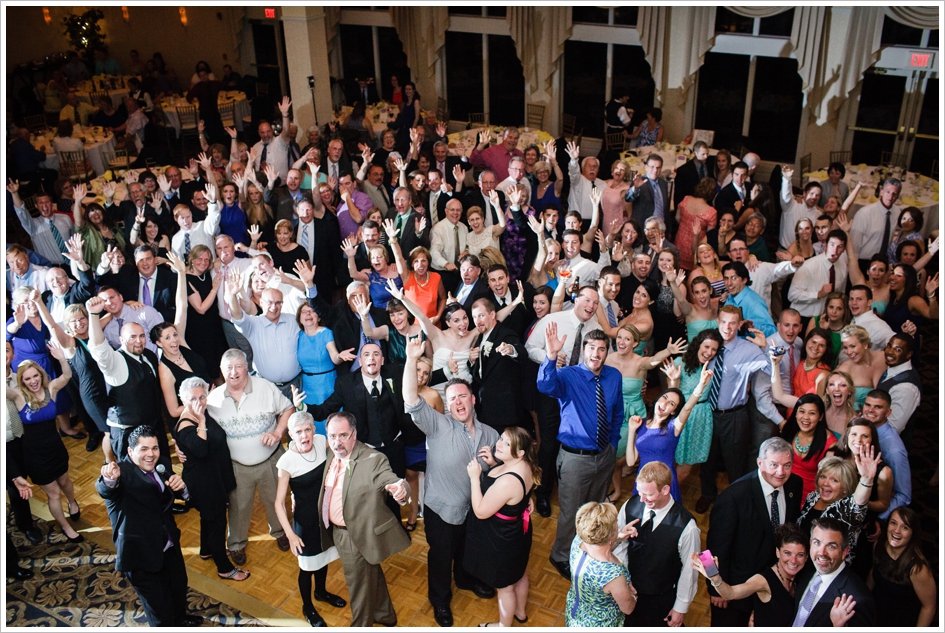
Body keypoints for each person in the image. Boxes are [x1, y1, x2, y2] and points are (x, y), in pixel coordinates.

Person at [402, 338, 499, 627]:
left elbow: (499, 475)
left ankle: (466, 579)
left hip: (474, 510)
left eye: (462, 396)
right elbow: (410, 398)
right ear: (447, 404)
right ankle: (440, 599)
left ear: (473, 400)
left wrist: (492, 464)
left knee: (467, 550)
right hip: (441, 509)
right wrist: (410, 360)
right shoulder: (438, 425)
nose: (457, 401)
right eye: (452, 397)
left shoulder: (491, 435)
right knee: (441, 556)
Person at [95, 426, 203, 627]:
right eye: (144, 449)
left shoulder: (161, 464)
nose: (150, 454)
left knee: (178, 588)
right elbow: (106, 488)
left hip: (168, 544)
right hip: (141, 556)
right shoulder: (122, 473)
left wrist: (183, 489)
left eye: (154, 448)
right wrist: (109, 478)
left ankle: (180, 618)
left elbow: (173, 494)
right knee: (159, 611)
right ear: (130, 451)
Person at [539, 326, 623, 581]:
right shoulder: (568, 376)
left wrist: (613, 444)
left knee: (594, 508)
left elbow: (617, 413)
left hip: (604, 455)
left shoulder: (614, 376)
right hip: (574, 459)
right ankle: (560, 555)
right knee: (572, 512)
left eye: (601, 349)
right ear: (583, 350)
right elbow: (544, 385)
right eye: (591, 348)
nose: (596, 354)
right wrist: (551, 358)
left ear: (607, 352)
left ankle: (587, 546)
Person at [294, 341, 412, 522]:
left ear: (382, 360)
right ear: (360, 361)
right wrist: (302, 406)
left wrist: (448, 372)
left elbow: (418, 380)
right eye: (366, 355)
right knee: (369, 494)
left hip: (393, 447)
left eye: (376, 354)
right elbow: (326, 409)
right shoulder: (346, 383)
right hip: (364, 449)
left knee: (394, 491)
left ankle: (394, 528)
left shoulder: (395, 373)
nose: (371, 358)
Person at [314, 412, 408, 627]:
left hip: (354, 535)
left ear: (354, 434)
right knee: (369, 573)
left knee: (358, 586)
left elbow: (391, 480)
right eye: (332, 436)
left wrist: (400, 490)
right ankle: (385, 615)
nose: (337, 442)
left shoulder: (372, 459)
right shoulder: (332, 451)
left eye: (343, 435)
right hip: (335, 530)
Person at [206, 349, 293, 566]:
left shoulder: (265, 387)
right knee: (238, 506)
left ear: (246, 367)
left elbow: (288, 409)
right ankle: (236, 544)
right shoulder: (213, 399)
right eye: (229, 368)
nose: (234, 372)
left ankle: (281, 531)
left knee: (276, 500)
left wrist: (277, 433)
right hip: (236, 465)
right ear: (221, 371)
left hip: (270, 460)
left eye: (238, 366)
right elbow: (199, 425)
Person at [705, 437, 804, 627]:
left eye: (787, 465)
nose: (780, 472)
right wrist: (714, 588)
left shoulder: (794, 485)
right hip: (734, 590)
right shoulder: (733, 497)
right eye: (774, 464)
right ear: (760, 463)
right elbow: (713, 547)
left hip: (772, 587)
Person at [525, 286, 602, 517]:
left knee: (573, 441)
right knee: (548, 445)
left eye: (596, 303)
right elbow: (530, 348)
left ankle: (570, 488)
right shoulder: (552, 320)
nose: (591, 306)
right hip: (552, 391)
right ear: (576, 300)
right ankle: (543, 494)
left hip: (578, 394)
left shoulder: (595, 329)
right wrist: (550, 357)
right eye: (588, 300)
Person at [274, 412, 345, 626]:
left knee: (322, 558)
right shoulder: (286, 461)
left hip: (325, 517)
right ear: (291, 435)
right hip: (304, 523)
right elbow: (278, 503)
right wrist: (290, 535)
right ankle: (308, 607)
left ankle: (321, 592)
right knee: (307, 568)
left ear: (314, 430)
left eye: (307, 430)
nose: (304, 436)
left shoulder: (322, 441)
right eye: (298, 432)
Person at [6, 344, 83, 542]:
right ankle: (66, 527)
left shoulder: (51, 389)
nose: (33, 381)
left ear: (41, 375)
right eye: (27, 378)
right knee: (54, 493)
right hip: (34, 455)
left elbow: (66, 376)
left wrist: (61, 358)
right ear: (21, 381)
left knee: (65, 482)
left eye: (35, 376)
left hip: (56, 448)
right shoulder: (18, 395)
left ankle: (73, 502)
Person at [465, 426, 539, 628]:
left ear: (520, 452)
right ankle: (521, 613)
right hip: (519, 533)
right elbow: (518, 493)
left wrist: (474, 478)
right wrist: (494, 463)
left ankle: (503, 627)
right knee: (520, 573)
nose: (499, 444)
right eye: (501, 439)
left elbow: (480, 511)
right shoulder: (525, 465)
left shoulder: (508, 481)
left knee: (505, 587)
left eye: (507, 444)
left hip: (503, 539)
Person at [172, 377, 245, 581]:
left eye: (202, 397)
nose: (199, 402)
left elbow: (176, 434)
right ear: (182, 399)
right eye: (192, 398)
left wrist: (179, 443)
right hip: (204, 483)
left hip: (213, 477)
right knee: (217, 522)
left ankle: (207, 550)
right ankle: (224, 567)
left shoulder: (198, 413)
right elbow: (201, 450)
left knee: (208, 518)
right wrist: (202, 422)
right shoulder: (191, 422)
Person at [85, 295, 172, 462]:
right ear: (121, 340)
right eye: (132, 337)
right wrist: (93, 316)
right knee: (137, 481)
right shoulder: (115, 362)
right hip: (128, 433)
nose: (138, 341)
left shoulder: (149, 355)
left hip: (154, 427)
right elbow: (98, 349)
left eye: (141, 336)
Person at [614, 461, 700, 626]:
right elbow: (621, 547)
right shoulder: (629, 506)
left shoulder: (687, 527)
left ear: (665, 489)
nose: (642, 499)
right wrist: (624, 579)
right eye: (640, 492)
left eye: (649, 494)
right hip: (629, 591)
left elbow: (690, 572)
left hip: (660, 598)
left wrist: (680, 608)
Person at [690, 523, 809, 627]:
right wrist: (715, 578)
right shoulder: (763, 580)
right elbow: (731, 593)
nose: (793, 560)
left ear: (807, 557)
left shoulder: (803, 578)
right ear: (778, 552)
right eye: (787, 553)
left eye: (800, 555)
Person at [626, 365, 711, 503]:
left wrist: (701, 385)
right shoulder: (640, 423)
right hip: (643, 482)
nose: (664, 403)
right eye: (664, 397)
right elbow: (630, 461)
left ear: (673, 411)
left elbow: (688, 407)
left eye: (671, 403)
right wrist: (631, 430)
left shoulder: (674, 427)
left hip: (664, 484)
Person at [796, 449, 880, 568]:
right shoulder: (813, 497)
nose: (825, 483)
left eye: (834, 480)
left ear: (845, 487)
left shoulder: (846, 508)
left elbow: (859, 502)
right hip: (803, 564)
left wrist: (867, 479)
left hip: (830, 569)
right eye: (823, 476)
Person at [791, 517, 876, 626]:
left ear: (844, 552)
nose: (822, 552)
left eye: (831, 546)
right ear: (810, 543)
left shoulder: (858, 598)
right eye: (817, 543)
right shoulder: (805, 572)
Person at [564, 501, 635, 626]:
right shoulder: (613, 575)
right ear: (608, 535)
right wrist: (632, 595)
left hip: (575, 615)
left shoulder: (579, 540)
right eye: (616, 523)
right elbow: (627, 608)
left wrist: (617, 538)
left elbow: (598, 550)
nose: (618, 525)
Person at [868, 507, 937, 627]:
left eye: (905, 527)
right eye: (893, 523)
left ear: (912, 533)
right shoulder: (879, 546)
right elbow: (873, 574)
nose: (896, 531)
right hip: (875, 614)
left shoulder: (917, 569)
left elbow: (929, 608)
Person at [857, 393, 911, 519]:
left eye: (878, 407)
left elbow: (904, 496)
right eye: (868, 405)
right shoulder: (860, 427)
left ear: (888, 413)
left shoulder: (894, 449)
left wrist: (878, 520)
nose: (870, 410)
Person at [788, 229, 849, 325]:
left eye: (839, 246)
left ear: (844, 249)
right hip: (804, 318)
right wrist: (818, 294)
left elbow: (840, 296)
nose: (835, 250)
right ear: (825, 245)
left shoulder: (843, 267)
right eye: (832, 245)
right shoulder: (808, 266)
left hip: (827, 319)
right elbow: (792, 295)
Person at [9, 180, 75, 266]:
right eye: (41, 203)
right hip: (51, 268)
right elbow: (21, 212)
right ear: (36, 206)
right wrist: (14, 194)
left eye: (47, 202)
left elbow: (75, 238)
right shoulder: (33, 225)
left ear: (51, 204)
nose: (44, 206)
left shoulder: (65, 218)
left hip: (72, 263)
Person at [850, 178, 901, 269]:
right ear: (881, 191)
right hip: (864, 262)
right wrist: (854, 266)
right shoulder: (864, 214)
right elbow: (855, 244)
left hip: (884, 261)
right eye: (888, 192)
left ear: (898, 196)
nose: (890, 196)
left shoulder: (897, 212)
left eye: (894, 193)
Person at [720, 261, 777, 337]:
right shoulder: (731, 297)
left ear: (744, 280)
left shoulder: (753, 303)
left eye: (734, 278)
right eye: (726, 278)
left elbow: (772, 331)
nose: (729, 283)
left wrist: (750, 328)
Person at [835, 325, 884, 411]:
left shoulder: (883, 358)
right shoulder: (844, 369)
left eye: (853, 346)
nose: (849, 352)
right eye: (845, 348)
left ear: (865, 345)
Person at [674, 177, 718, 270]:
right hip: (696, 247)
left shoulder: (686, 199)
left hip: (679, 243)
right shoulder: (711, 212)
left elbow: (677, 217)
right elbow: (709, 235)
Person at [250, 97, 293, 182]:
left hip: (280, 186)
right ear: (259, 133)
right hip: (262, 187)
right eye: (263, 132)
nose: (266, 135)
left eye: (268, 131)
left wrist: (284, 115)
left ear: (272, 130)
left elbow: (286, 131)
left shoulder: (280, 141)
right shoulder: (255, 147)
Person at [626, 154, 670, 234]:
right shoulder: (640, 182)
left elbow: (665, 208)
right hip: (644, 228)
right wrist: (635, 188)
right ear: (646, 167)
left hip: (661, 228)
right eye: (652, 167)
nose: (655, 170)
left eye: (658, 167)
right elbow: (628, 198)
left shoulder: (663, 183)